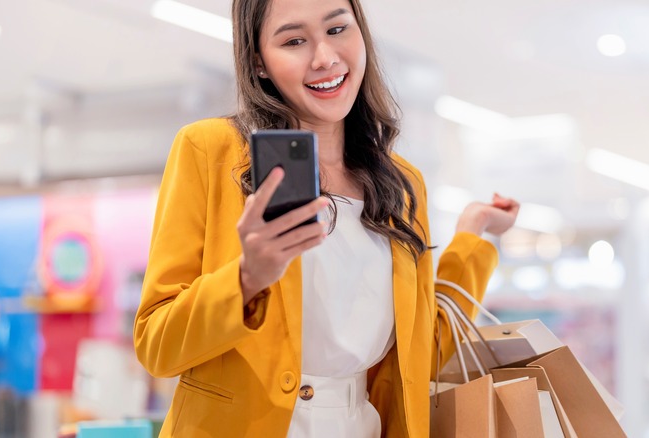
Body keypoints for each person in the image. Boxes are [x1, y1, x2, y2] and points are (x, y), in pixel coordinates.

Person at [133, 0, 520, 436]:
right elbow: (157, 345)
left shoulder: (400, 185)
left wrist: (473, 237)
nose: (324, 58)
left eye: (337, 30)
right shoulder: (212, 152)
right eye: (294, 40)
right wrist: (245, 279)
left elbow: (418, 356)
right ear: (259, 62)